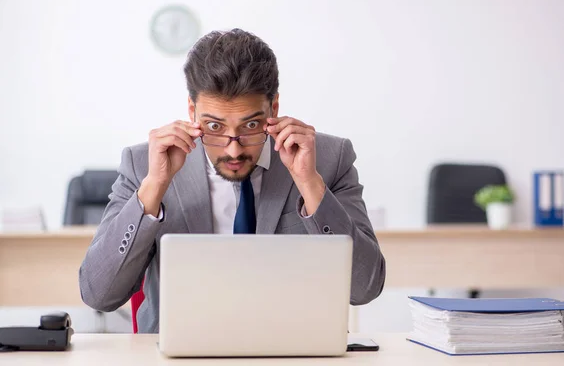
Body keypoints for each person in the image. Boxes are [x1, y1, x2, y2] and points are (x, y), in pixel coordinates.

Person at [79, 28, 386, 333]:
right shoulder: (144, 164)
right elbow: (99, 295)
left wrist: (310, 184)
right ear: (192, 111)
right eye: (214, 126)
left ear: (274, 109)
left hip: (295, 351)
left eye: (251, 125)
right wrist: (154, 186)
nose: (234, 148)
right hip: (182, 353)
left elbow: (364, 288)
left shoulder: (329, 158)